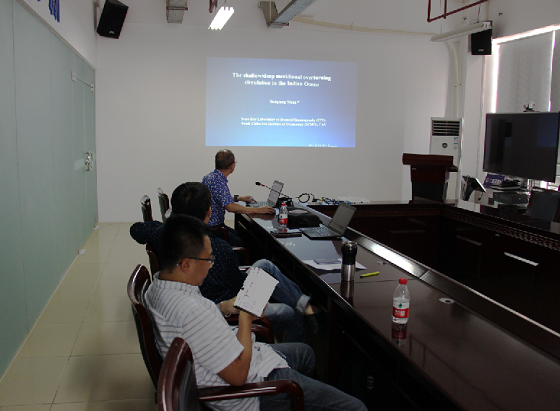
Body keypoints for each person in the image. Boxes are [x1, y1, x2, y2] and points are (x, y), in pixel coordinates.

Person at [145, 214, 368, 411]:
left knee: (305, 353)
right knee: (356, 406)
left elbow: (196, 325)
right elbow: (239, 376)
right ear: (186, 265)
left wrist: (223, 307)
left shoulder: (159, 288)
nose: (211, 265)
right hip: (248, 393)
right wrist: (245, 317)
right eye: (208, 259)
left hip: (239, 357)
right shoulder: (191, 312)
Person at [130, 182, 322, 341]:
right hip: (228, 308)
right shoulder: (215, 248)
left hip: (215, 292)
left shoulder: (164, 235)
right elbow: (237, 287)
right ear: (208, 213)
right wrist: (260, 284)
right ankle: (289, 352)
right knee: (288, 312)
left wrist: (163, 227)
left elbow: (135, 229)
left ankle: (305, 305)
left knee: (265, 264)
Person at [202, 149, 274, 246]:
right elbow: (230, 207)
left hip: (209, 227)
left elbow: (218, 198)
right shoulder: (219, 181)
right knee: (246, 242)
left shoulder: (209, 177)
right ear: (231, 166)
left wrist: (239, 198)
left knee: (244, 235)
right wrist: (258, 210)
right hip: (215, 229)